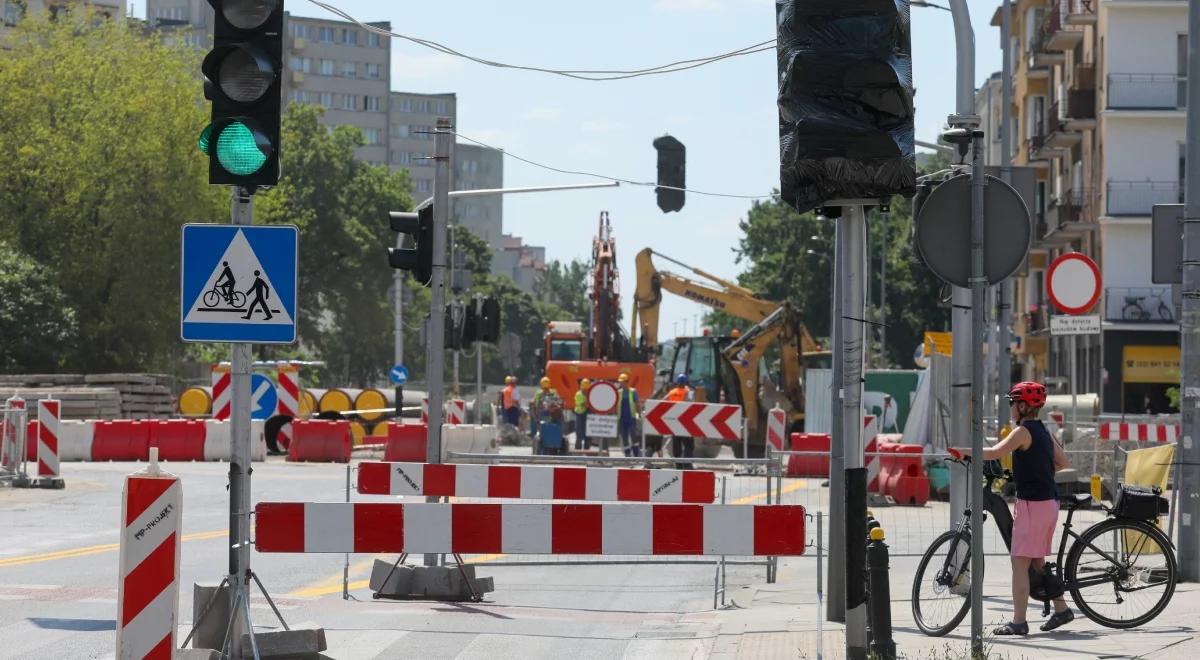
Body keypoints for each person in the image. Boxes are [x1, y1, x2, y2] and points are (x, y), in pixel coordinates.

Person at [953, 381, 1072, 636]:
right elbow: (1063, 461)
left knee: (1019, 563)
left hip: (1032, 505)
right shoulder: (1043, 430)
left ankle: (1018, 621)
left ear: (1022, 405)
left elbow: (995, 452)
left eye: (1012, 403)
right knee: (1036, 560)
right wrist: (1037, 471)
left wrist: (963, 452)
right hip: (1049, 503)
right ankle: (1062, 609)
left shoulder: (1022, 431)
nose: (1010, 408)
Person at [666, 373, 695, 469]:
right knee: (689, 444)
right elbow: (690, 405)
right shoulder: (687, 392)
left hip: (674, 422)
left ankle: (678, 464)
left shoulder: (671, 392)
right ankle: (687, 464)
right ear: (685, 382)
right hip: (685, 422)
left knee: (677, 444)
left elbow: (663, 404)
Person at [617, 373, 641, 457]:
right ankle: (627, 454)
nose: (620, 383)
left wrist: (639, 414)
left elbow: (637, 404)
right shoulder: (619, 392)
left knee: (633, 435)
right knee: (624, 437)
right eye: (620, 382)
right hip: (622, 418)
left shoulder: (633, 391)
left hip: (631, 418)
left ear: (626, 382)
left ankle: (636, 454)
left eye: (622, 382)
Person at [530, 377, 553, 451]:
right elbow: (535, 405)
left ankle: (547, 446)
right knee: (541, 432)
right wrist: (535, 416)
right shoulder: (539, 394)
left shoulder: (552, 393)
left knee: (547, 430)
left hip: (549, 415)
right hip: (541, 415)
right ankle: (541, 447)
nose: (545, 390)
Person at [574, 378, 590, 451]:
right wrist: (587, 401)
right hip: (580, 414)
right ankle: (578, 448)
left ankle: (587, 448)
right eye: (584, 389)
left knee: (588, 432)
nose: (585, 390)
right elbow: (584, 405)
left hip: (588, 414)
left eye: (586, 389)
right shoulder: (578, 394)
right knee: (579, 432)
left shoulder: (590, 393)